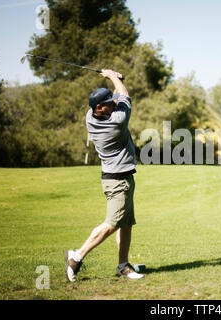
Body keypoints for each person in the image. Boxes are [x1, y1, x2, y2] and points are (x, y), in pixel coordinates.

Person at [65, 69, 143, 282]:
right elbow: (124, 96)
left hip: (119, 177)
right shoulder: (117, 121)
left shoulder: (91, 116)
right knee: (112, 223)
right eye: (109, 102)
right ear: (100, 108)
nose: (114, 103)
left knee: (125, 223)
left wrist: (115, 82)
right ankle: (76, 256)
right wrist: (112, 76)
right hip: (118, 182)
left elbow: (117, 96)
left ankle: (123, 266)